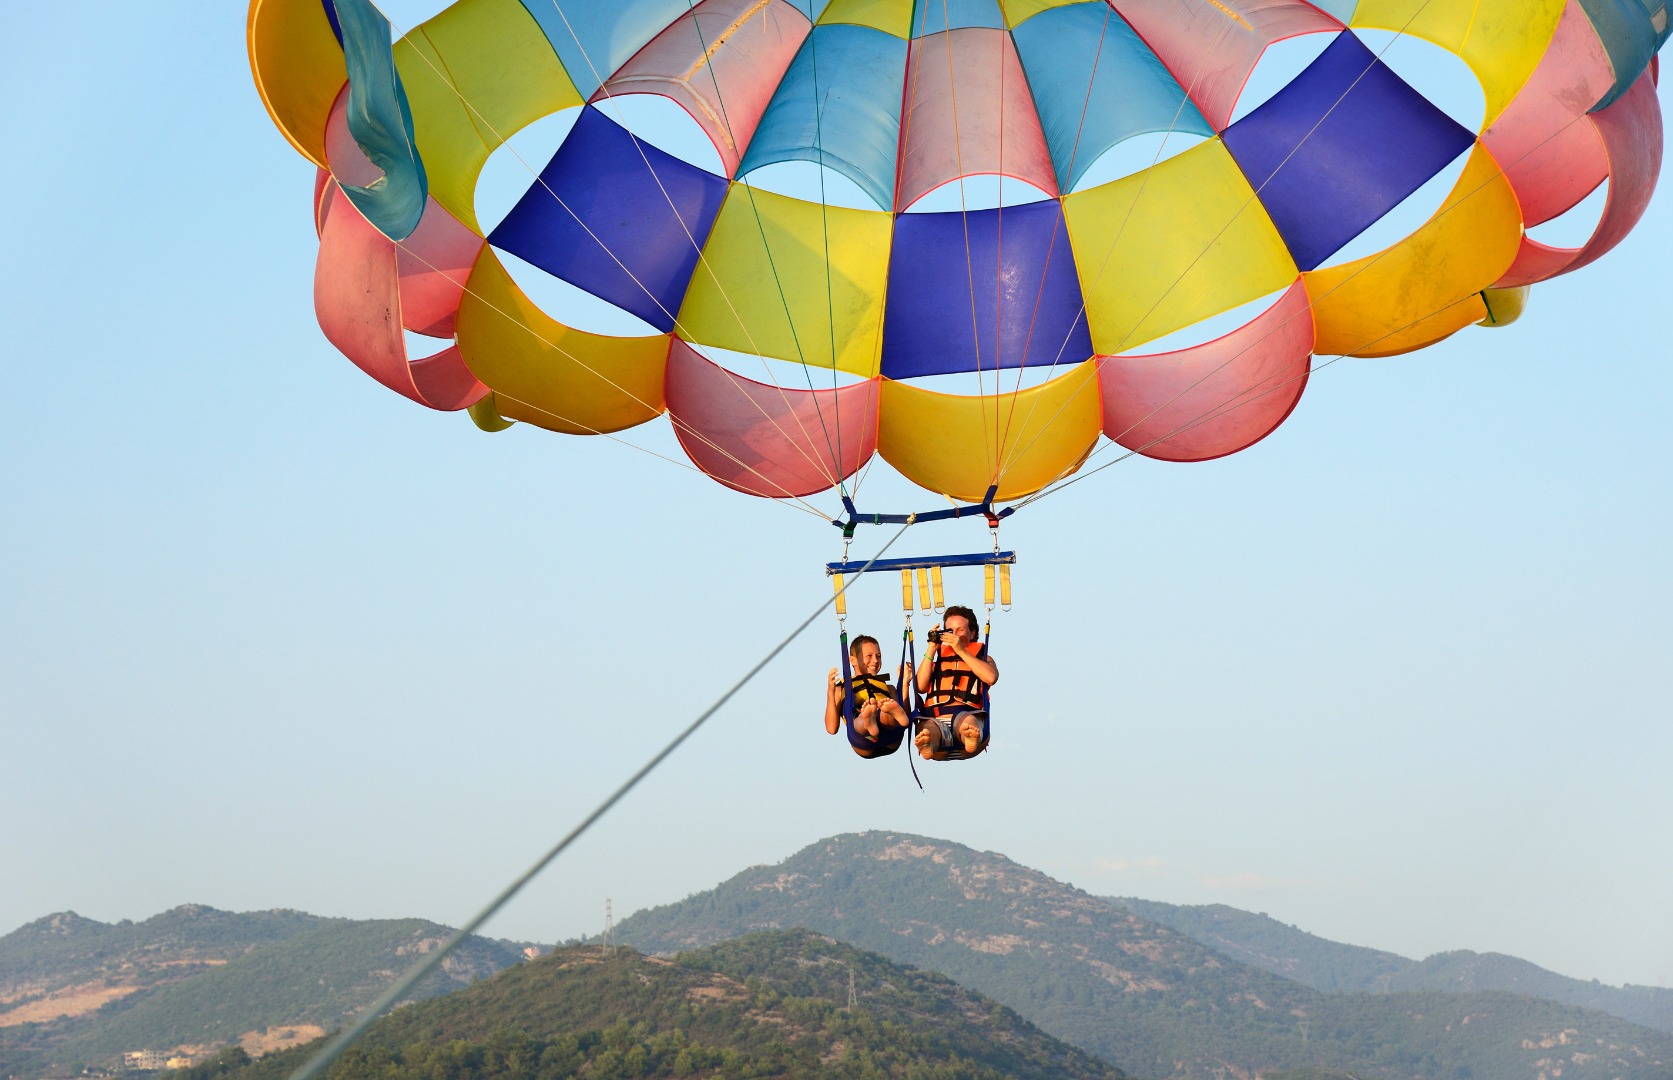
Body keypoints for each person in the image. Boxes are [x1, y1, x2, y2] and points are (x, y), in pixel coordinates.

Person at [912, 606, 998, 760]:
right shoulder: (937, 658)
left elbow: (991, 677)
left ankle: (969, 737)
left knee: (968, 722)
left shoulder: (983, 658)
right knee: (929, 729)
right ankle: (929, 744)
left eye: (960, 630)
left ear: (972, 633)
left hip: (966, 715)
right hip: (936, 718)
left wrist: (961, 651)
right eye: (950, 630)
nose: (955, 635)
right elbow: (920, 686)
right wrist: (931, 649)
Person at [824, 634, 911, 758]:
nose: (875, 660)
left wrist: (904, 685)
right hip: (863, 741)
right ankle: (868, 721)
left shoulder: (888, 687)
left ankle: (873, 719)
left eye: (878, 656)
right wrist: (830, 691)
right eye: (869, 656)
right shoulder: (841, 689)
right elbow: (831, 728)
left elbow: (905, 719)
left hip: (892, 736)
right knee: (860, 719)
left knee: (885, 712)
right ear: (853, 660)